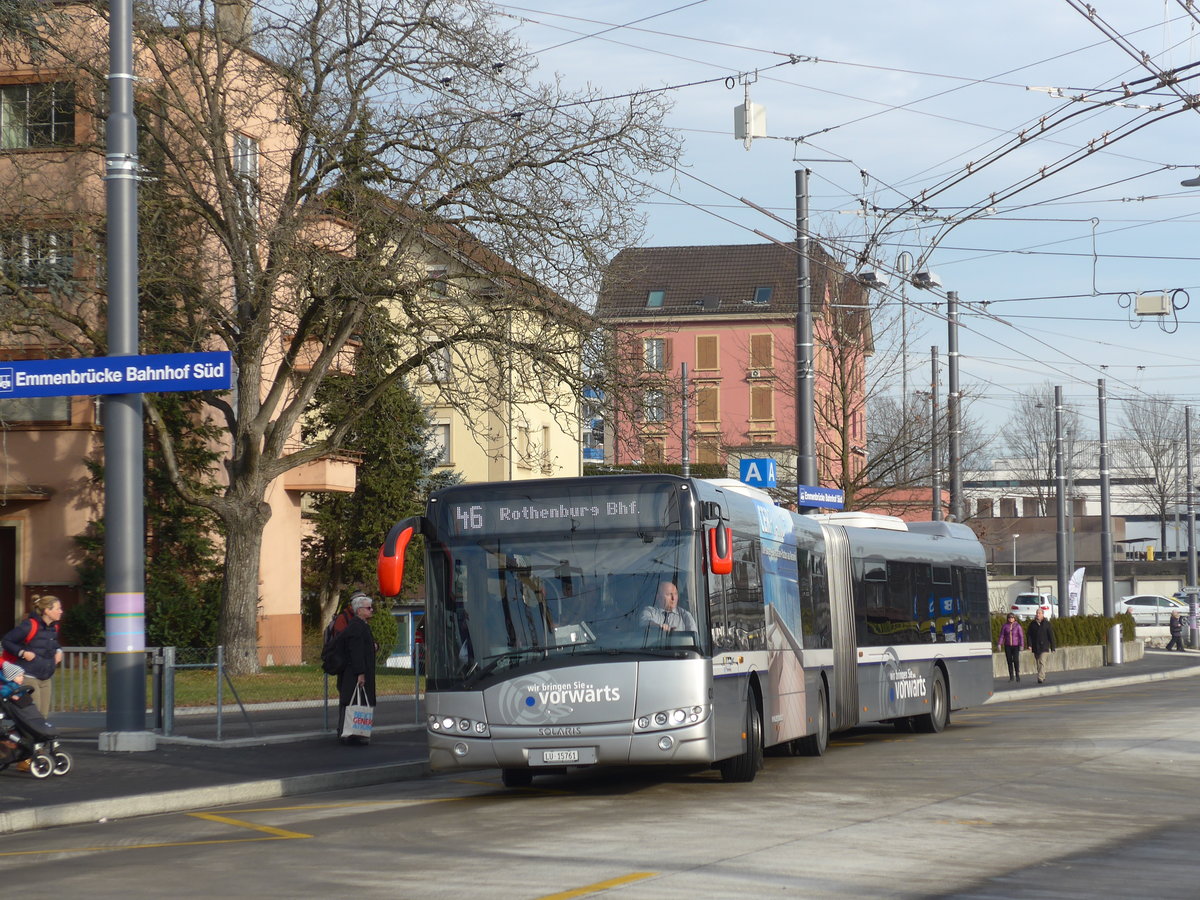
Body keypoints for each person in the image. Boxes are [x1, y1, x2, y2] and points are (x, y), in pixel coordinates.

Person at [2, 594, 64, 715]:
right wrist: (22, 652)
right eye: (58, 608)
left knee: (43, 716)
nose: (61, 611)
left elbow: (53, 644)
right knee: (34, 715)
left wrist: (59, 651)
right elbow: (6, 641)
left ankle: (36, 734)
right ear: (47, 610)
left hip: (46, 677)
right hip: (29, 676)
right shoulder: (30, 625)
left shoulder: (54, 627)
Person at [337, 593, 377, 745]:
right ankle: (349, 733)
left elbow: (364, 647)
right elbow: (356, 651)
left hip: (359, 671)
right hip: (355, 673)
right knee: (352, 703)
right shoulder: (356, 626)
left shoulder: (361, 625)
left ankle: (355, 733)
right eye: (368, 608)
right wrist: (360, 673)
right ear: (359, 610)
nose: (371, 610)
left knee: (356, 703)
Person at [1026, 607, 1056, 684]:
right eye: (1037, 613)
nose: (1037, 615)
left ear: (1043, 614)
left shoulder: (1047, 624)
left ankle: (1040, 677)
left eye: (1039, 613)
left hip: (1044, 646)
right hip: (1036, 646)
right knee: (1038, 662)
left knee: (1042, 661)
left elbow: (1051, 636)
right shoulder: (1032, 624)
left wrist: (1053, 647)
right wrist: (1029, 644)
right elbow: (1029, 635)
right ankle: (1043, 675)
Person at [999, 613, 1025, 682]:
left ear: (1014, 618)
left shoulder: (1018, 626)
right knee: (1009, 661)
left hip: (1016, 646)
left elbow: (1021, 636)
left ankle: (1017, 674)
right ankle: (1011, 676)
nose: (1011, 619)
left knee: (1016, 660)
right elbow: (1002, 635)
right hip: (1007, 646)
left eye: (1012, 618)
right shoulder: (1005, 626)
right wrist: (999, 644)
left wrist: (1022, 645)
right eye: (1009, 618)